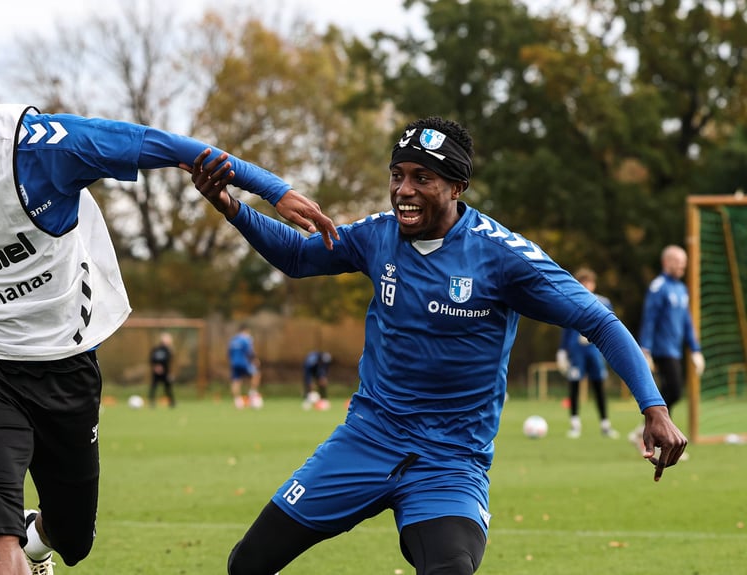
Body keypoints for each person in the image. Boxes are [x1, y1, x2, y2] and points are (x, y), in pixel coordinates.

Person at [0, 36, 336, 575]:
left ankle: (39, 542)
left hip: (64, 361)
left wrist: (272, 188)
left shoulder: (43, 147)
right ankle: (11, 541)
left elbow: (161, 144)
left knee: (73, 535)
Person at [190, 116, 688, 575]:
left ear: (456, 186)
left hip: (449, 462)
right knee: (247, 564)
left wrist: (654, 407)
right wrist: (232, 206)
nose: (403, 190)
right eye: (397, 175)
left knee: (450, 569)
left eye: (422, 178)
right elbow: (299, 256)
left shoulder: (503, 257)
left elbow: (599, 321)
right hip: (365, 441)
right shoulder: (376, 236)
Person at [632, 244, 704, 452]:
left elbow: (687, 322)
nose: (682, 265)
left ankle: (648, 430)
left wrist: (695, 349)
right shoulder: (658, 287)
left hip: (676, 350)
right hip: (662, 351)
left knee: (670, 393)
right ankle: (663, 437)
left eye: (684, 261)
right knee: (673, 391)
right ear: (666, 262)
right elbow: (650, 319)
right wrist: (645, 349)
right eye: (677, 261)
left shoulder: (682, 289)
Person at [556, 268, 619, 439]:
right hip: (577, 352)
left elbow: (611, 327)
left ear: (594, 284)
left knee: (598, 386)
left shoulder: (603, 302)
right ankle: (575, 424)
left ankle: (605, 424)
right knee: (574, 386)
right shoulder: (570, 300)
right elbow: (566, 327)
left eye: (589, 282)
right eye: (583, 282)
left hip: (595, 351)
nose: (586, 285)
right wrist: (562, 351)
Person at [228, 325, 262, 409]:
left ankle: (237, 401)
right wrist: (255, 360)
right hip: (243, 362)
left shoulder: (233, 340)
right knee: (256, 374)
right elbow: (249, 351)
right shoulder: (246, 339)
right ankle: (252, 394)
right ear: (245, 331)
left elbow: (229, 353)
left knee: (236, 381)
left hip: (234, 363)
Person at [148, 332, 176, 408]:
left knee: (168, 388)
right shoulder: (156, 349)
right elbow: (151, 359)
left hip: (166, 372)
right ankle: (152, 402)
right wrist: (156, 367)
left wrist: (171, 373)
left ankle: (172, 402)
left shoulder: (169, 350)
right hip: (156, 372)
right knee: (154, 387)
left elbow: (170, 362)